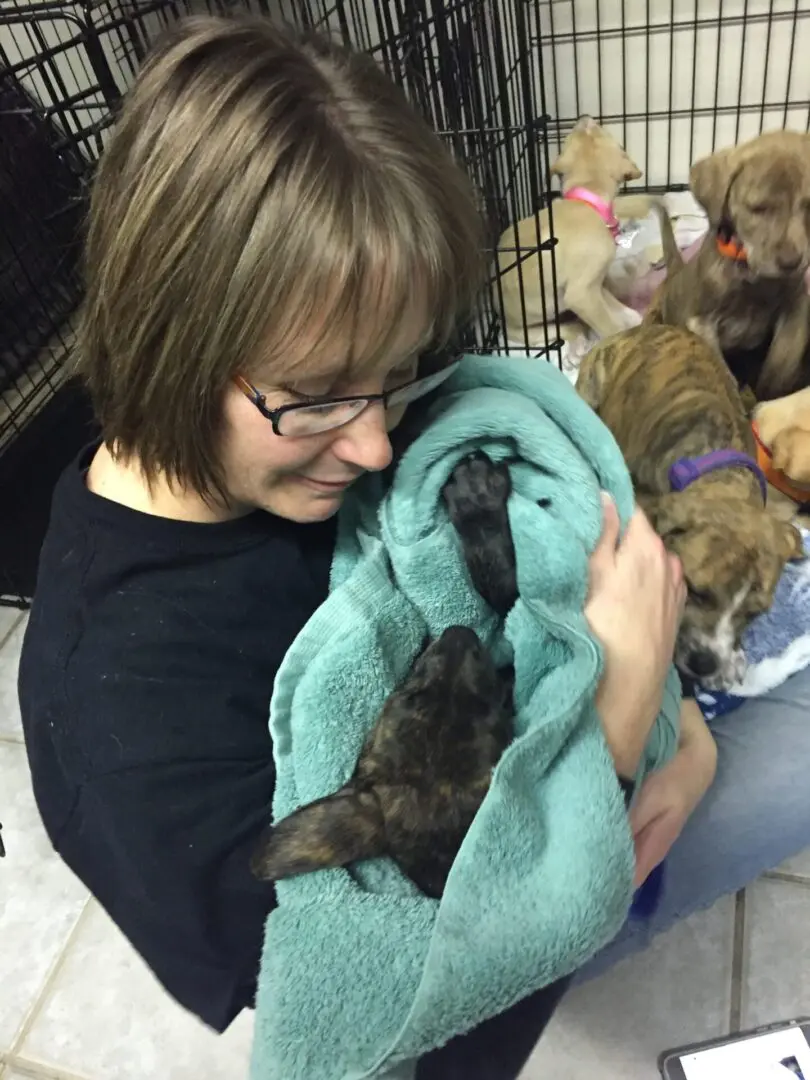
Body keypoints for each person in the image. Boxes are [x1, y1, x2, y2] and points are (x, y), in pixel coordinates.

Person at [14, 13, 804, 1079]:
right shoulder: (132, 734)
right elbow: (418, 1032)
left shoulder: (325, 413)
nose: (381, 437)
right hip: (537, 879)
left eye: (393, 371)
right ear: (169, 337)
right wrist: (618, 731)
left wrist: (647, 677)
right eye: (317, 397)